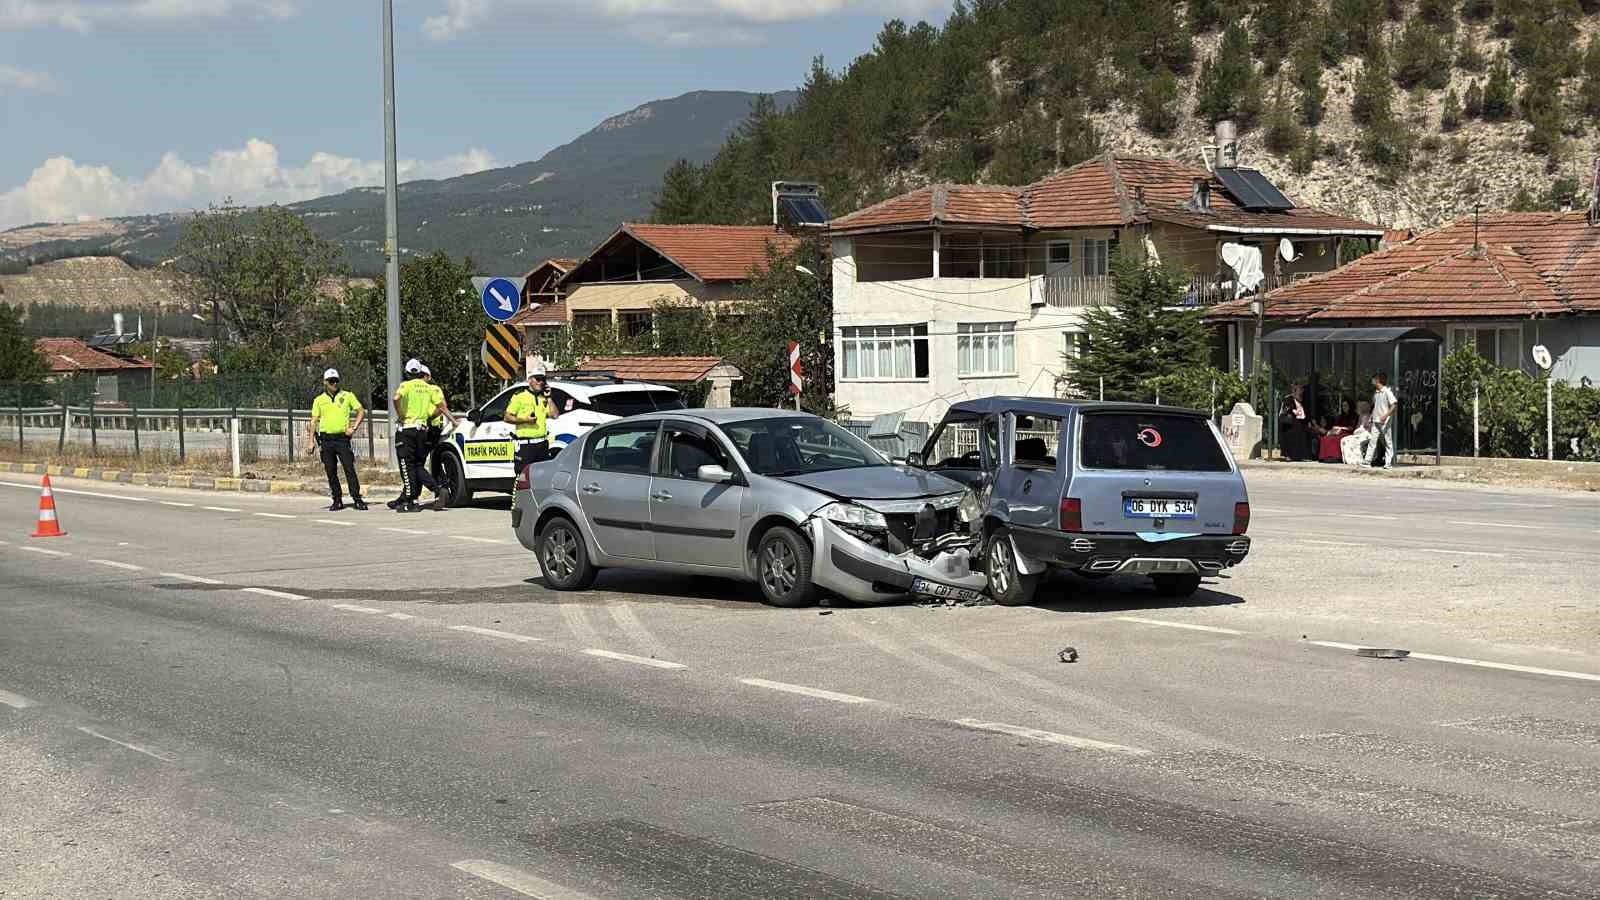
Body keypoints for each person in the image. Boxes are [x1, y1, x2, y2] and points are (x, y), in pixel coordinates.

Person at [307, 368, 367, 511]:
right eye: (331, 381)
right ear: (325, 382)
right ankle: (337, 499)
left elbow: (361, 411)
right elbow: (313, 421)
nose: (334, 383)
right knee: (331, 470)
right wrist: (310, 441)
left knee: (349, 469)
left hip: (342, 439)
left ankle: (356, 498)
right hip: (326, 439)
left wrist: (354, 427)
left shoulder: (347, 395)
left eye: (336, 381)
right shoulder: (319, 400)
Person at [392, 358, 446, 512]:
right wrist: (428, 417)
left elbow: (396, 398)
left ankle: (411, 502)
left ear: (407, 373)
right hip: (422, 431)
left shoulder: (406, 385)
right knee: (417, 465)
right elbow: (441, 407)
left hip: (407, 430)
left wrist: (401, 414)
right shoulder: (428, 388)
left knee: (406, 466)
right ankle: (437, 488)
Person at [505, 369, 557, 474]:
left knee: (542, 477)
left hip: (542, 444)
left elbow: (554, 415)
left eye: (543, 379)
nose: (540, 382)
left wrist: (549, 398)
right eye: (537, 379)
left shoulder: (544, 398)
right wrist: (525, 420)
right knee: (523, 477)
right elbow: (507, 417)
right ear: (530, 380)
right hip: (526, 446)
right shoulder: (519, 396)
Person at [1364, 372, 1398, 470]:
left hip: (1384, 421)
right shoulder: (1376, 393)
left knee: (1388, 442)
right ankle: (1367, 461)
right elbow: (1375, 407)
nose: (1372, 381)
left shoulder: (1387, 391)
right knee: (1372, 441)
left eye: (1374, 379)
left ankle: (1388, 463)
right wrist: (1371, 417)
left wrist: (1386, 415)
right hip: (1376, 420)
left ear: (1378, 380)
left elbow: (1394, 404)